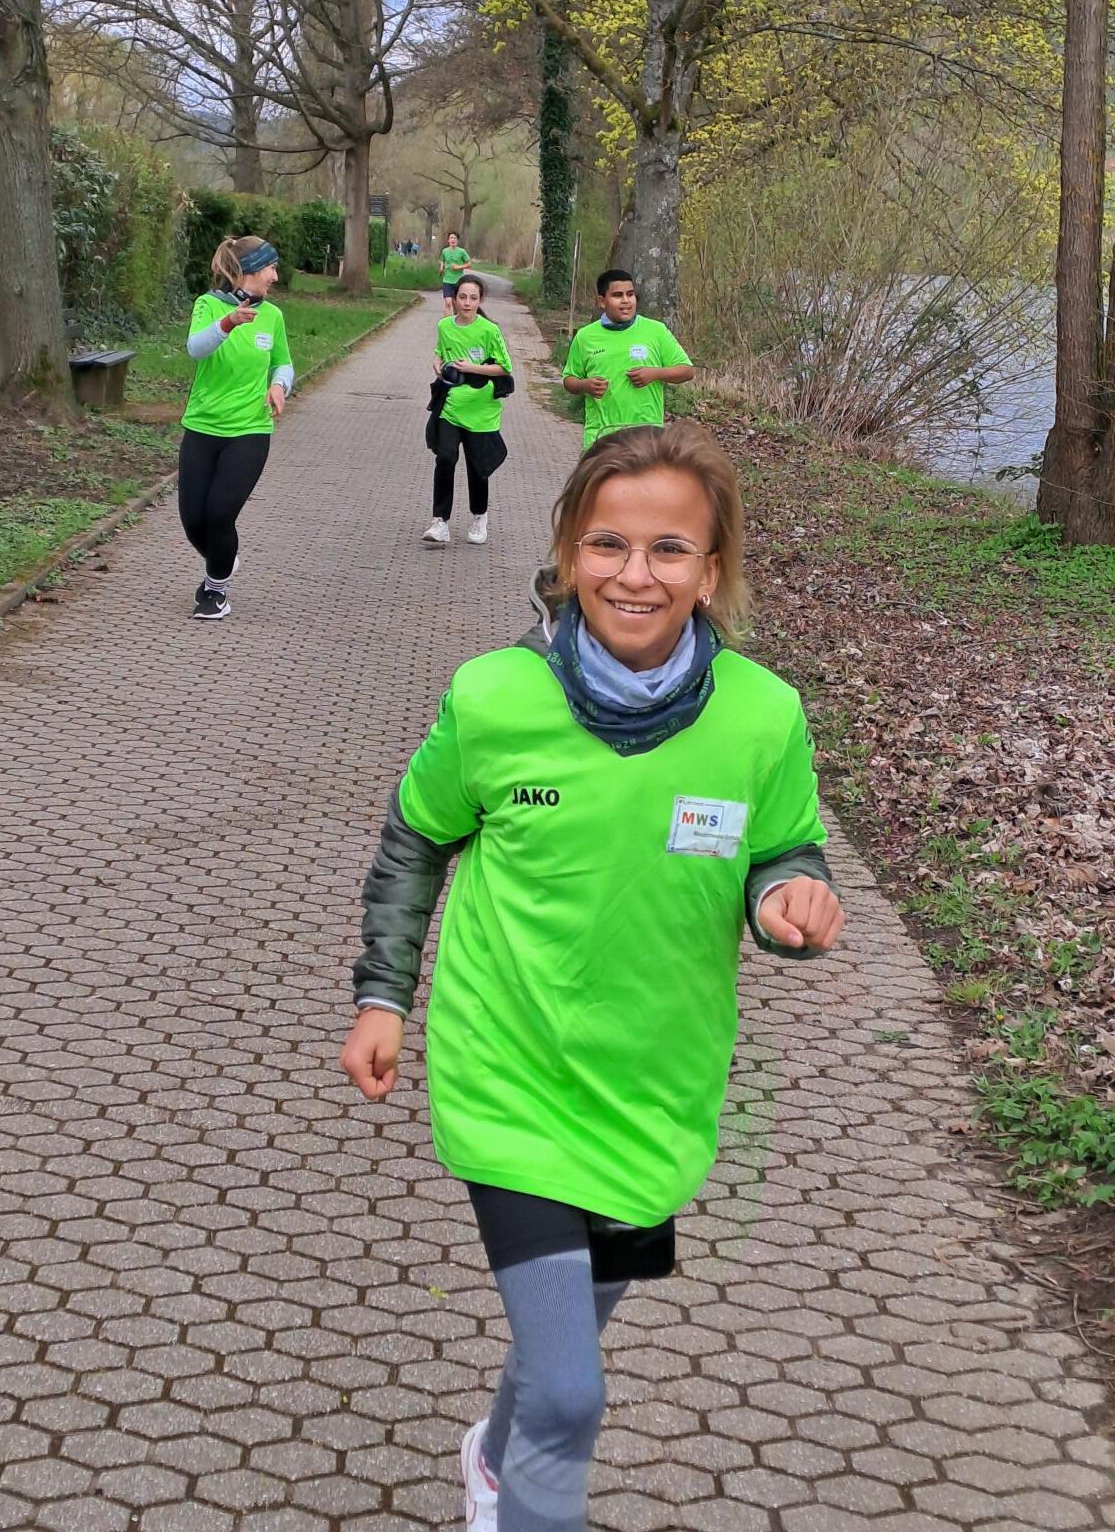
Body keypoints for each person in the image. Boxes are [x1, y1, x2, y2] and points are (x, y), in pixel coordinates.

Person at [342, 421, 844, 1532]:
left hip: (656, 1092)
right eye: (608, 543)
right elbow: (415, 839)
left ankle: (494, 1456)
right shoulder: (493, 698)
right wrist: (383, 996)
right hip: (507, 1073)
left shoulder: (763, 716)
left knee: (563, 1340)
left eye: (670, 548)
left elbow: (786, 848)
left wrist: (788, 900)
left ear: (711, 570)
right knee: (571, 1393)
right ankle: (524, 1488)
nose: (635, 573)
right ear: (570, 553)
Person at [177, 234, 293, 619]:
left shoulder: (272, 316)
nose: (275, 277)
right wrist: (227, 323)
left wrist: (279, 385)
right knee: (194, 521)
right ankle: (224, 558)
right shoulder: (208, 305)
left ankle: (215, 591)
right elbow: (196, 348)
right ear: (250, 270)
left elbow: (283, 362)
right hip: (202, 426)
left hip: (249, 430)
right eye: (271, 268)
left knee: (219, 514)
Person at [424, 273, 512, 548]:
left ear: (480, 300)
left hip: (482, 410)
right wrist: (437, 360)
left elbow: (504, 367)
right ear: (454, 299)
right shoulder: (444, 326)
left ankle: (479, 516)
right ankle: (440, 522)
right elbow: (441, 349)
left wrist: (473, 368)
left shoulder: (489, 330)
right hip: (451, 406)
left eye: (473, 298)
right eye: (462, 297)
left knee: (477, 467)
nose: (467, 303)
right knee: (445, 457)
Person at [562, 269, 694, 449]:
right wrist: (585, 385)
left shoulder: (656, 331)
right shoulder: (585, 337)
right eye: (617, 295)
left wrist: (655, 373)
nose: (626, 300)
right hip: (601, 438)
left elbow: (687, 370)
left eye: (630, 294)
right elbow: (569, 379)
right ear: (602, 301)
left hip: (647, 439)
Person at [440, 230, 471, 307]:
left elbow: (469, 264)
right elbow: (442, 260)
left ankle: (455, 314)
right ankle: (448, 315)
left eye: (454, 238)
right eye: (451, 238)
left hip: (458, 280)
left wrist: (458, 267)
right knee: (448, 302)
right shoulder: (444, 251)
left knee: (455, 303)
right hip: (447, 280)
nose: (453, 240)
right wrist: (441, 267)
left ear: (457, 240)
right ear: (448, 240)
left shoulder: (462, 251)